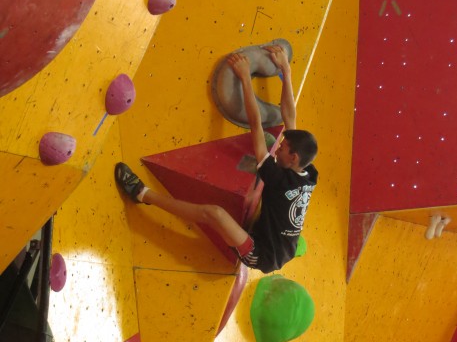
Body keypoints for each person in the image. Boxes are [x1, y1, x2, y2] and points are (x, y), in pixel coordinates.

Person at [115, 44, 318, 273]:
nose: (277, 149)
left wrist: (245, 78)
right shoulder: (308, 173)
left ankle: (142, 194)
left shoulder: (279, 178)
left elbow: (255, 125)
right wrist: (286, 71)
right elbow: (290, 117)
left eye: (282, 148)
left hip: (262, 254)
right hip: (281, 244)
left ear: (293, 158)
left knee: (214, 213)